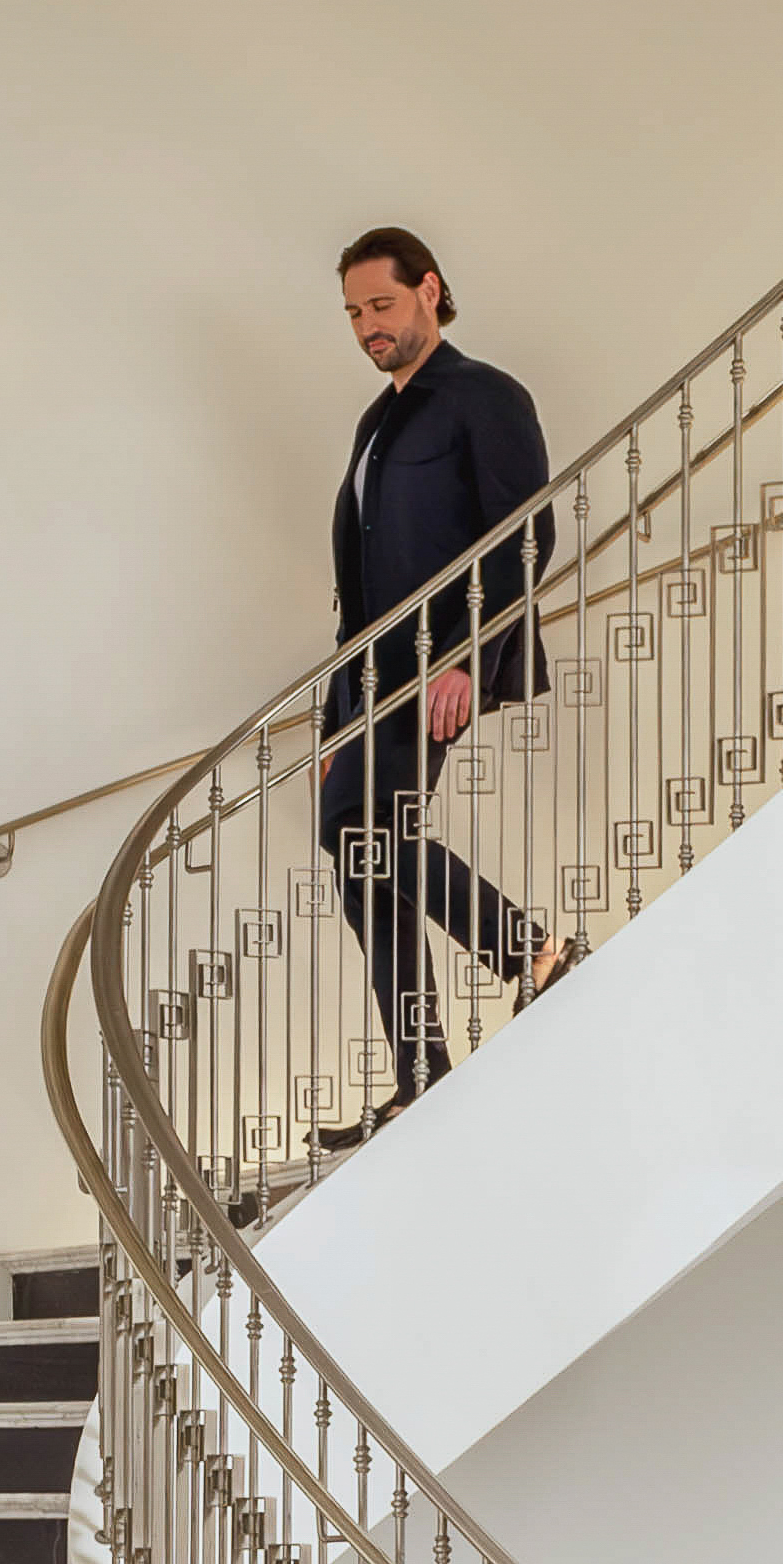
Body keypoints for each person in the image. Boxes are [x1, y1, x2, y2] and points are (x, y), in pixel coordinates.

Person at [316, 224, 559, 1112]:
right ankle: (420, 1072)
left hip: (437, 661)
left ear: (429, 289)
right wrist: (337, 718)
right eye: (354, 313)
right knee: (360, 858)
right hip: (368, 677)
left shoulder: (485, 396)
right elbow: (362, 577)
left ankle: (529, 951)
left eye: (381, 304)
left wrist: (466, 655)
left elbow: (525, 537)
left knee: (364, 825)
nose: (367, 327)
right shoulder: (377, 422)